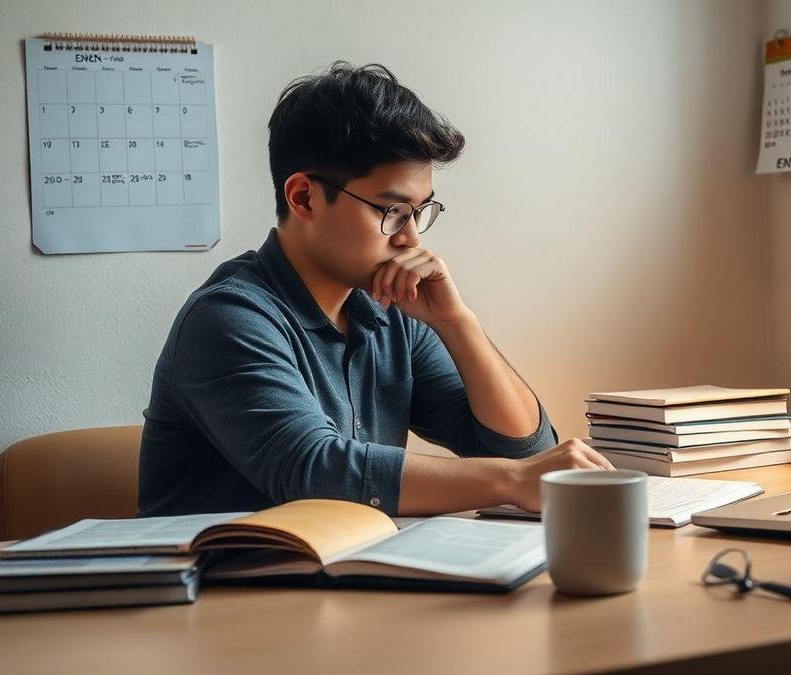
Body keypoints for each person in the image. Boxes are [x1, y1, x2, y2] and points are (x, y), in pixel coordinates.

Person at [138, 62, 612, 518]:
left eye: (421, 211)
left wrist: (456, 322)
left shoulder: (393, 312)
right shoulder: (228, 318)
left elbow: (522, 448)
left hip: (347, 586)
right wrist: (511, 481)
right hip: (222, 593)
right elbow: (314, 470)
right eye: (391, 211)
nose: (411, 239)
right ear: (303, 197)